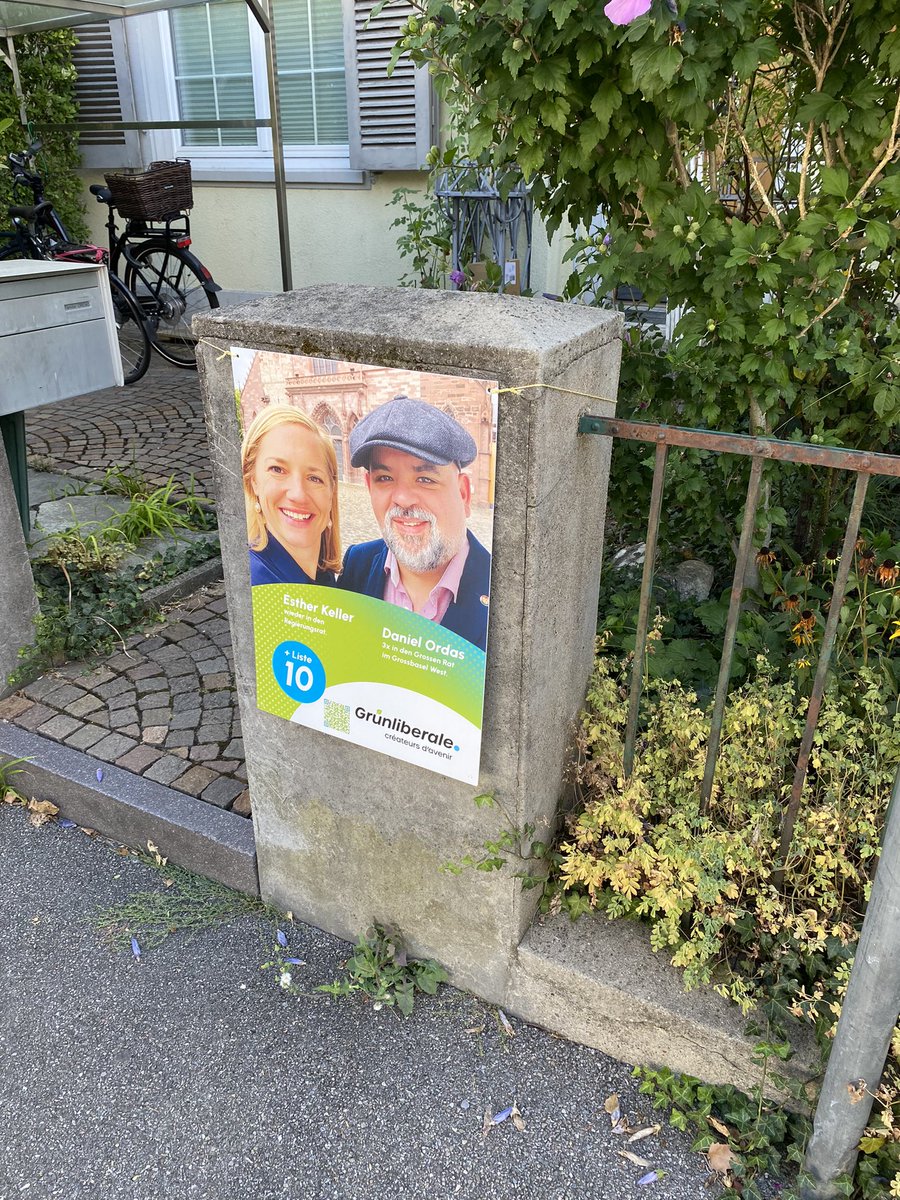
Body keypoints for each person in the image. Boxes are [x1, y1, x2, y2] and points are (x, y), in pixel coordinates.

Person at [340, 396, 491, 652]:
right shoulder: (357, 566)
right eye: (385, 478)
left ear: (463, 494)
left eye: (424, 479)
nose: (402, 498)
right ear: (369, 488)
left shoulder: (500, 587)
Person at [241, 405, 342, 587]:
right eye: (278, 470)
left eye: (314, 478)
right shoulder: (256, 585)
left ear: (331, 493)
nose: (299, 494)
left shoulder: (324, 575)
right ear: (253, 480)